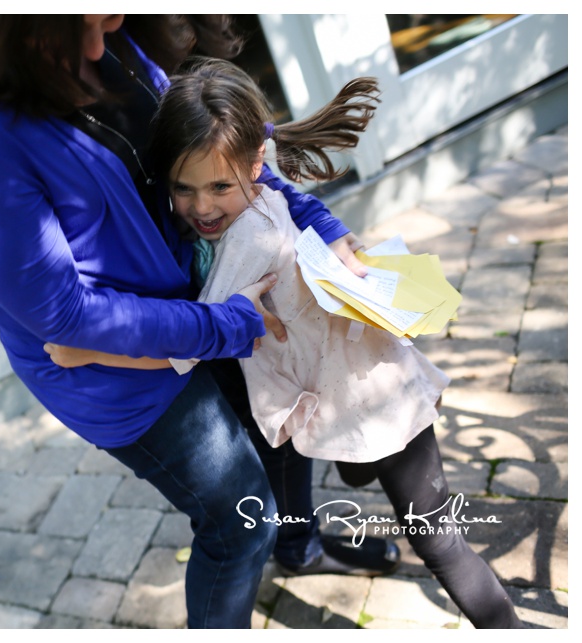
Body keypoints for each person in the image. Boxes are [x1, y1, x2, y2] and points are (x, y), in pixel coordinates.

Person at [0, 15, 395, 628]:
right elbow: (64, 319)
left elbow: (220, 150)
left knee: (282, 420)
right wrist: (222, 326)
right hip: (114, 363)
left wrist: (321, 227)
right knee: (239, 518)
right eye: (87, 23)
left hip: (213, 298)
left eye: (115, 15)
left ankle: (298, 549)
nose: (104, 42)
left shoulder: (106, 30)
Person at [46, 57, 523, 628]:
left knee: (440, 539)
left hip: (376, 398)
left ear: (256, 165)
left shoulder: (249, 238)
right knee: (298, 452)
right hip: (317, 382)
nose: (201, 207)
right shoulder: (242, 201)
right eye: (183, 188)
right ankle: (322, 512)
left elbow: (188, 341)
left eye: (219, 186)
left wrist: (87, 348)